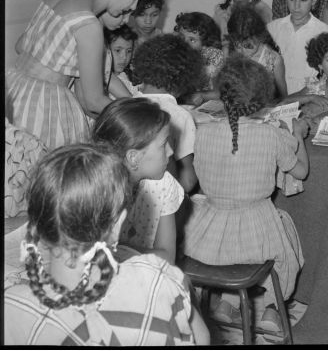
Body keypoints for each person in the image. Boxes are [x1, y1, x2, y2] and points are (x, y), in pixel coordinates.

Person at [4, 144, 209, 345]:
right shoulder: (159, 280)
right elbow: (201, 338)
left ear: (35, 226)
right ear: (117, 226)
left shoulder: (13, 306)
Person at [183, 55, 308, 331]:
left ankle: (227, 303)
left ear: (222, 94)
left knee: (234, 252)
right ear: (262, 97)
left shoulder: (202, 132)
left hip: (206, 237)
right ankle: (273, 309)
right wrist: (298, 135)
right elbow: (300, 173)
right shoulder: (270, 135)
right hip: (256, 236)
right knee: (286, 237)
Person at [6, 0, 159, 149]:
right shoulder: (88, 25)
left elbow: (20, 46)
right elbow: (93, 101)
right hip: (44, 107)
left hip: (15, 89)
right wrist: (137, 116)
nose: (132, 8)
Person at [92, 98, 181, 264]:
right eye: (163, 145)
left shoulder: (163, 186)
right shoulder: (92, 189)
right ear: (133, 158)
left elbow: (168, 256)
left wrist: (119, 253)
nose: (170, 151)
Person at [131, 33, 204, 195]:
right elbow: (189, 179)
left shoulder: (127, 104)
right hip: (164, 200)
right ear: (183, 79)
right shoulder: (180, 116)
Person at [268, 0, 328, 93]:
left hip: (309, 99)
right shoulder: (272, 29)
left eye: (303, 0)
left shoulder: (325, 33)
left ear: (314, 0)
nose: (296, 6)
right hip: (275, 99)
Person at [228, 6, 288, 99]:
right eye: (237, 46)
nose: (243, 52)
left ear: (259, 37)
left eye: (248, 46)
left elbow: (283, 94)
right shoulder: (230, 54)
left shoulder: (273, 60)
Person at [174, 11, 224, 105]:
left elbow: (219, 93)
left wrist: (202, 95)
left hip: (208, 103)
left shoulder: (213, 56)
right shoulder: (175, 53)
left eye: (192, 40)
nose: (185, 43)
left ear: (205, 43)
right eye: (181, 37)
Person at [105, 24, 142, 96]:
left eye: (129, 51)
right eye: (118, 50)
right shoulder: (101, 80)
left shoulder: (130, 77)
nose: (124, 57)